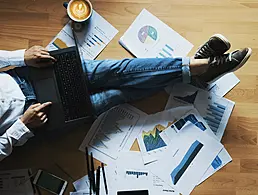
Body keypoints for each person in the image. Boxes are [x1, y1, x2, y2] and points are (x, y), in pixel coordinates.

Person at [0, 34, 252, 161]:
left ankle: (201, 68)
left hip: (28, 76)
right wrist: (23, 126)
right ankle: (201, 68)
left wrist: (20, 57)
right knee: (119, 93)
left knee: (119, 70)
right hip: (39, 117)